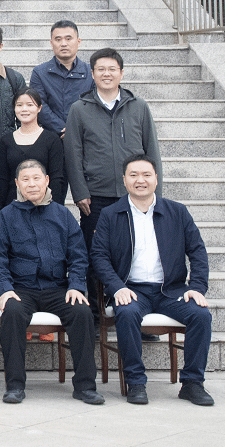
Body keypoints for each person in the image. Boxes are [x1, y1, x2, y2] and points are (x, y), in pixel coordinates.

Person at [91, 155, 214, 406]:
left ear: (156, 179)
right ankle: (136, 382)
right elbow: (99, 256)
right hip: (132, 289)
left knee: (201, 315)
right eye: (134, 175)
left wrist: (197, 287)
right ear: (124, 180)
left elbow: (197, 251)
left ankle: (192, 383)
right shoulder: (111, 214)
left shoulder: (177, 212)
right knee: (127, 312)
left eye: (146, 175)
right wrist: (117, 287)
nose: (140, 180)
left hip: (171, 291)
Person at [0, 158, 104, 406]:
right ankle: (15, 385)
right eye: (25, 179)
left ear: (47, 180)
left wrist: (76, 285)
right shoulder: (6, 216)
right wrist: (5, 289)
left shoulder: (62, 214)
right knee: (12, 312)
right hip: (21, 289)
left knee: (82, 312)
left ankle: (85, 386)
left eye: (36, 178)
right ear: (17, 183)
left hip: (57, 288)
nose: (31, 184)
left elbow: (78, 255)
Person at [65, 48, 164, 309]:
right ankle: (96, 311)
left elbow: (152, 152)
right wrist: (80, 192)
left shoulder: (138, 106)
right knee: (94, 253)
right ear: (92, 73)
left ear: (121, 73)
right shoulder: (79, 109)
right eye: (101, 69)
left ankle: (131, 308)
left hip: (135, 195)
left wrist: (156, 195)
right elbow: (73, 154)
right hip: (96, 196)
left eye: (112, 69)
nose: (106, 74)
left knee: (132, 251)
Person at [0, 89, 67, 214]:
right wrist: (0, 210)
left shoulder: (52, 139)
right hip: (13, 209)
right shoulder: (6, 141)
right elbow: (2, 178)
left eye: (30, 105)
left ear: (39, 108)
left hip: (45, 208)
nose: (24, 109)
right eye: (19, 105)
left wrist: (55, 210)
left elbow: (57, 178)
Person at [27, 20, 93, 135]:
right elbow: (39, 104)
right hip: (52, 136)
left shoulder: (91, 72)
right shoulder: (40, 72)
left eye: (68, 39)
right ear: (51, 43)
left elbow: (95, 104)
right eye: (58, 39)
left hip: (85, 134)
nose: (63, 44)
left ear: (78, 42)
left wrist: (78, 129)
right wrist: (62, 128)